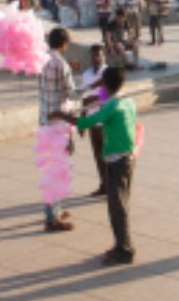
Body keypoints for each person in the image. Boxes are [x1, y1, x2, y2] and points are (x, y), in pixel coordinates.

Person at [56, 66, 138, 266]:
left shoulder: (112, 106)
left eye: (102, 82)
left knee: (117, 208)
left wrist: (63, 116)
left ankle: (125, 250)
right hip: (126, 159)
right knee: (119, 205)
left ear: (105, 84)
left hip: (117, 161)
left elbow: (87, 122)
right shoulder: (127, 102)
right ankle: (120, 244)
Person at [38, 27, 76, 232]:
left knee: (53, 166)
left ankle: (57, 208)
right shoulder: (61, 64)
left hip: (45, 119)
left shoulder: (41, 60)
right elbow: (71, 92)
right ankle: (51, 217)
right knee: (56, 168)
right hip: (59, 121)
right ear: (63, 44)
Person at [80, 44, 109, 197]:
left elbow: (108, 96)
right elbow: (83, 98)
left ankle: (112, 186)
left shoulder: (108, 73)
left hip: (105, 121)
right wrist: (82, 122)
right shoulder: (86, 75)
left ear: (104, 55)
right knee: (98, 156)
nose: (96, 57)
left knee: (109, 156)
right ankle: (103, 184)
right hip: (92, 121)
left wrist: (95, 98)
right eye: (93, 55)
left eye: (99, 54)